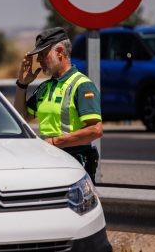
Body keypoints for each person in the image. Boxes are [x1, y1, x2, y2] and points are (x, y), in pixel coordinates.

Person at [14, 27, 102, 183]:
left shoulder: (82, 85)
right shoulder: (45, 87)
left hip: (76, 164)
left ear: (60, 52)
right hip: (50, 161)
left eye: (43, 54)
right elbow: (21, 118)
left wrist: (55, 142)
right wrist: (22, 84)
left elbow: (95, 130)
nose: (39, 60)